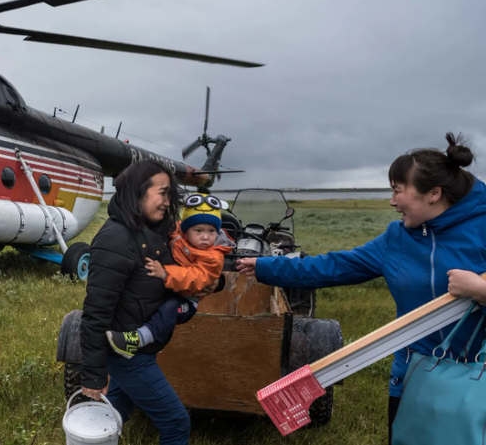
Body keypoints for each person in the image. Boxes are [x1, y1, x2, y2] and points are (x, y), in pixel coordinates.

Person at [236, 133, 486, 444]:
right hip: (415, 374)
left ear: (433, 193)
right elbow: (334, 266)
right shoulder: (397, 238)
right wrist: (263, 267)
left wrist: (479, 290)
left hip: (479, 376)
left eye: (397, 191)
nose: (392, 201)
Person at [80, 160, 219, 445]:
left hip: (141, 347)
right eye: (163, 193)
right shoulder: (114, 240)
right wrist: (93, 376)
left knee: (115, 413)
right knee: (176, 422)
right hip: (128, 354)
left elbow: (188, 268)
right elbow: (95, 313)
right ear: (137, 192)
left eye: (171, 195)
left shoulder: (156, 231)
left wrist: (218, 281)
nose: (168, 202)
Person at [106, 192, 233, 358]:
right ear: (186, 231)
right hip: (170, 289)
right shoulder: (180, 237)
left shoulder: (213, 257)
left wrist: (165, 273)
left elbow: (194, 277)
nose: (205, 237)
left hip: (187, 300)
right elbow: (171, 231)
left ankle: (138, 339)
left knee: (170, 309)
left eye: (211, 231)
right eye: (199, 230)